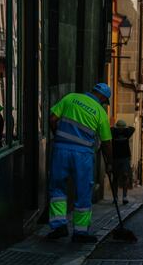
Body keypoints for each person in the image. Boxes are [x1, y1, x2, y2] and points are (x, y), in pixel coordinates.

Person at [46, 83, 113, 243]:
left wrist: (58, 135)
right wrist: (109, 163)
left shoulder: (70, 98)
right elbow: (106, 142)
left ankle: (58, 226)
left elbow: (52, 118)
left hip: (61, 149)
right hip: (82, 155)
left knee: (57, 187)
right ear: (103, 98)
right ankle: (80, 232)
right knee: (83, 191)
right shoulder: (100, 112)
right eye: (105, 101)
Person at [111, 120, 135, 204]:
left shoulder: (126, 133)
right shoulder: (113, 133)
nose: (121, 130)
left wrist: (124, 129)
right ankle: (115, 197)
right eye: (120, 128)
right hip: (115, 157)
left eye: (122, 128)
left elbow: (132, 128)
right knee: (115, 177)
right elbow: (110, 129)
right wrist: (116, 129)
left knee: (125, 176)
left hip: (125, 157)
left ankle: (124, 196)